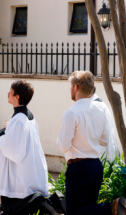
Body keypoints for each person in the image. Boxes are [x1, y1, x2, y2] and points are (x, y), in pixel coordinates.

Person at [56, 71, 125, 215]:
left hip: (79, 167)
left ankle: (112, 207)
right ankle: (112, 208)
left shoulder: (71, 113)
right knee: (87, 210)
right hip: (95, 166)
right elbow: (104, 140)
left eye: (70, 86)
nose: (70, 89)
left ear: (75, 87)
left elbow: (63, 146)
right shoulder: (100, 109)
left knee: (74, 211)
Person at [0, 80, 53, 215]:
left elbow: (13, 149)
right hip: (27, 169)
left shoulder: (19, 120)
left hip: (18, 176)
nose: (8, 93)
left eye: (11, 91)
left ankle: (42, 205)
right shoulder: (26, 116)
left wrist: (2, 132)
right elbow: (13, 141)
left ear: (17, 97)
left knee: (15, 207)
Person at [90, 88, 120, 161]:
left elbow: (98, 136)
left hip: (102, 155)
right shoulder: (98, 103)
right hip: (106, 154)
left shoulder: (94, 106)